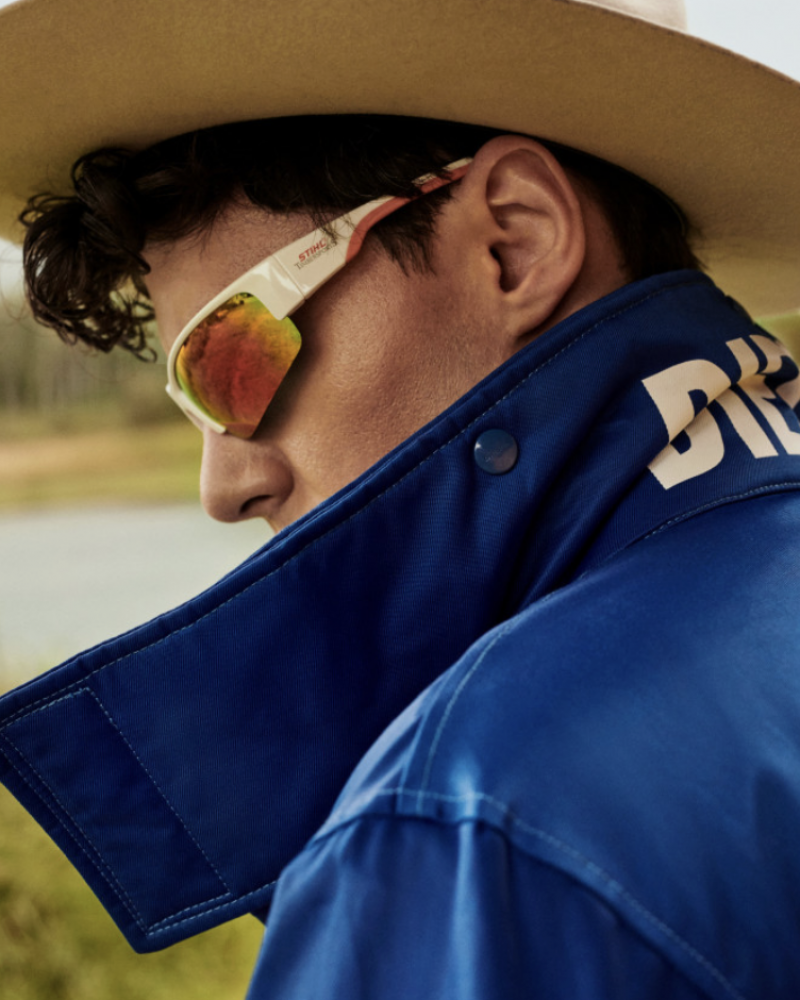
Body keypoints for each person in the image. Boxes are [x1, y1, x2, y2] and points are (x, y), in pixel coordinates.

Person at [0, 0, 799, 997]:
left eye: (232, 356)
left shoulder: (467, 836)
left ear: (514, 240)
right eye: (192, 400)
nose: (223, 485)